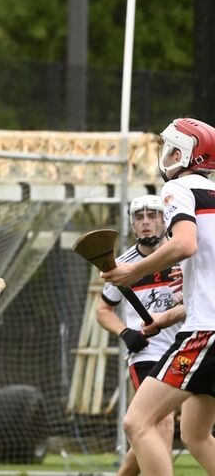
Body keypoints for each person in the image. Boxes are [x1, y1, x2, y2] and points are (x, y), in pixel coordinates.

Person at [102, 117, 215, 476]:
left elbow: (184, 243)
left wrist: (132, 271)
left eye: (170, 148)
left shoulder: (178, 189)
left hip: (205, 332)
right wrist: (169, 316)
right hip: (206, 329)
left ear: (184, 155)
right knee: (196, 435)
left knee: (138, 422)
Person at [95, 195, 183, 476]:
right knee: (162, 420)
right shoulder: (121, 265)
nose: (146, 222)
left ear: (165, 220)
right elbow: (103, 310)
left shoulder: (182, 256)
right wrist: (124, 332)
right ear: (132, 224)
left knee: (152, 427)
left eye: (152, 215)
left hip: (186, 347)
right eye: (139, 217)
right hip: (147, 352)